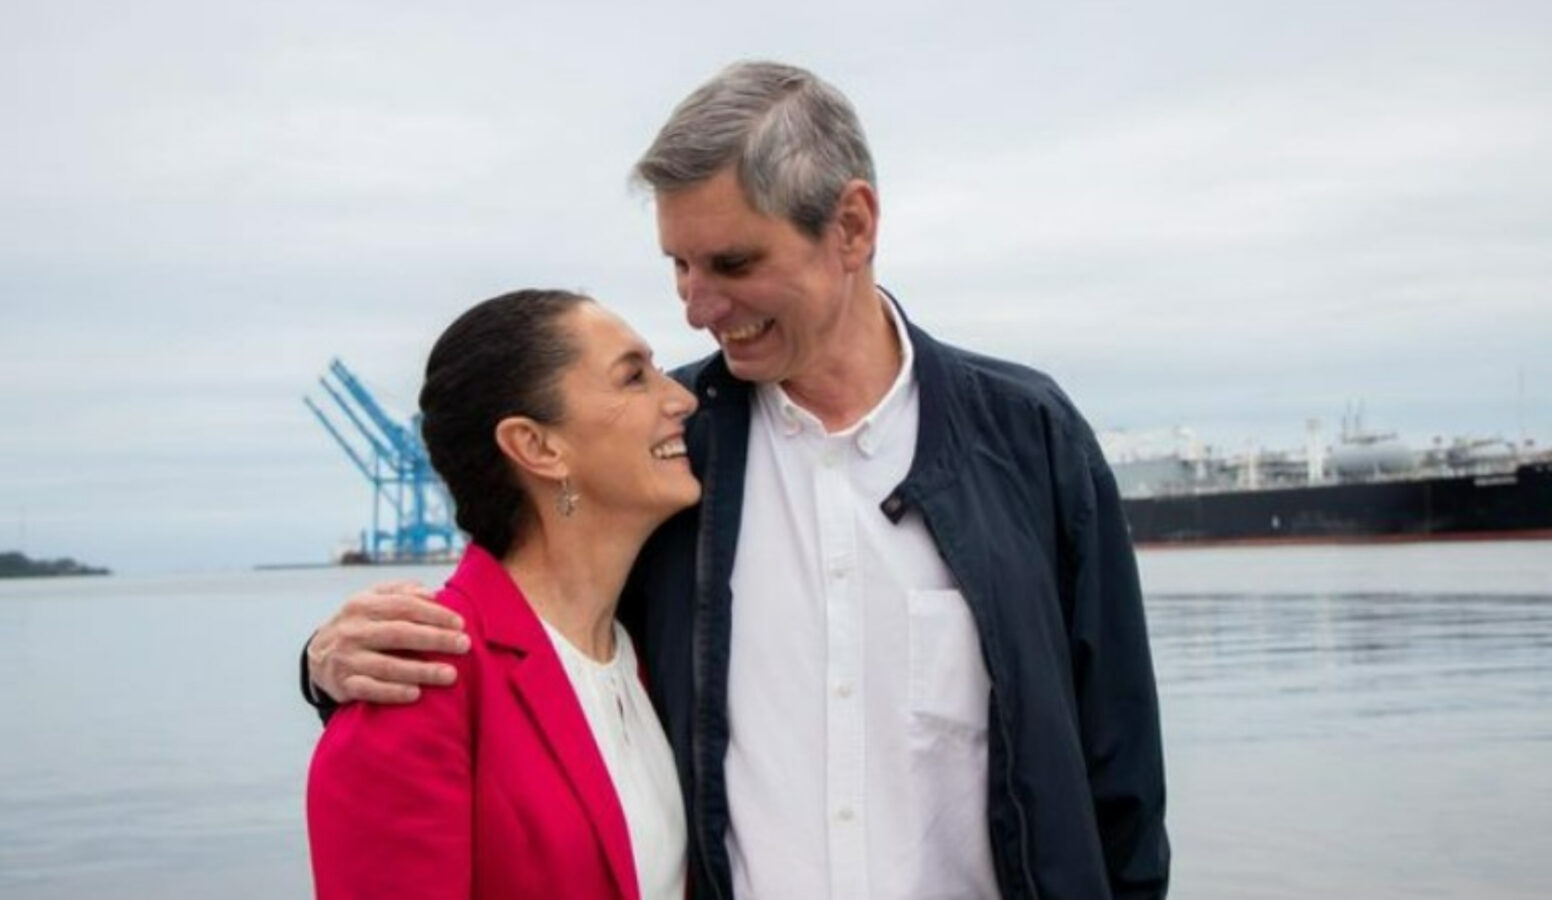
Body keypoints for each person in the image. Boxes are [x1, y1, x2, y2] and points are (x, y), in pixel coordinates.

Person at [304, 62, 1170, 899]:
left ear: (853, 227)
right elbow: (535, 612)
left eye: (730, 263)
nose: (696, 305)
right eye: (678, 266)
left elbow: (1120, 771)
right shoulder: (676, 461)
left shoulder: (1030, 439)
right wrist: (325, 668)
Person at [306, 289, 697, 900]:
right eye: (633, 378)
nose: (683, 399)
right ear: (537, 447)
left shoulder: (645, 650)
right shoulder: (416, 681)